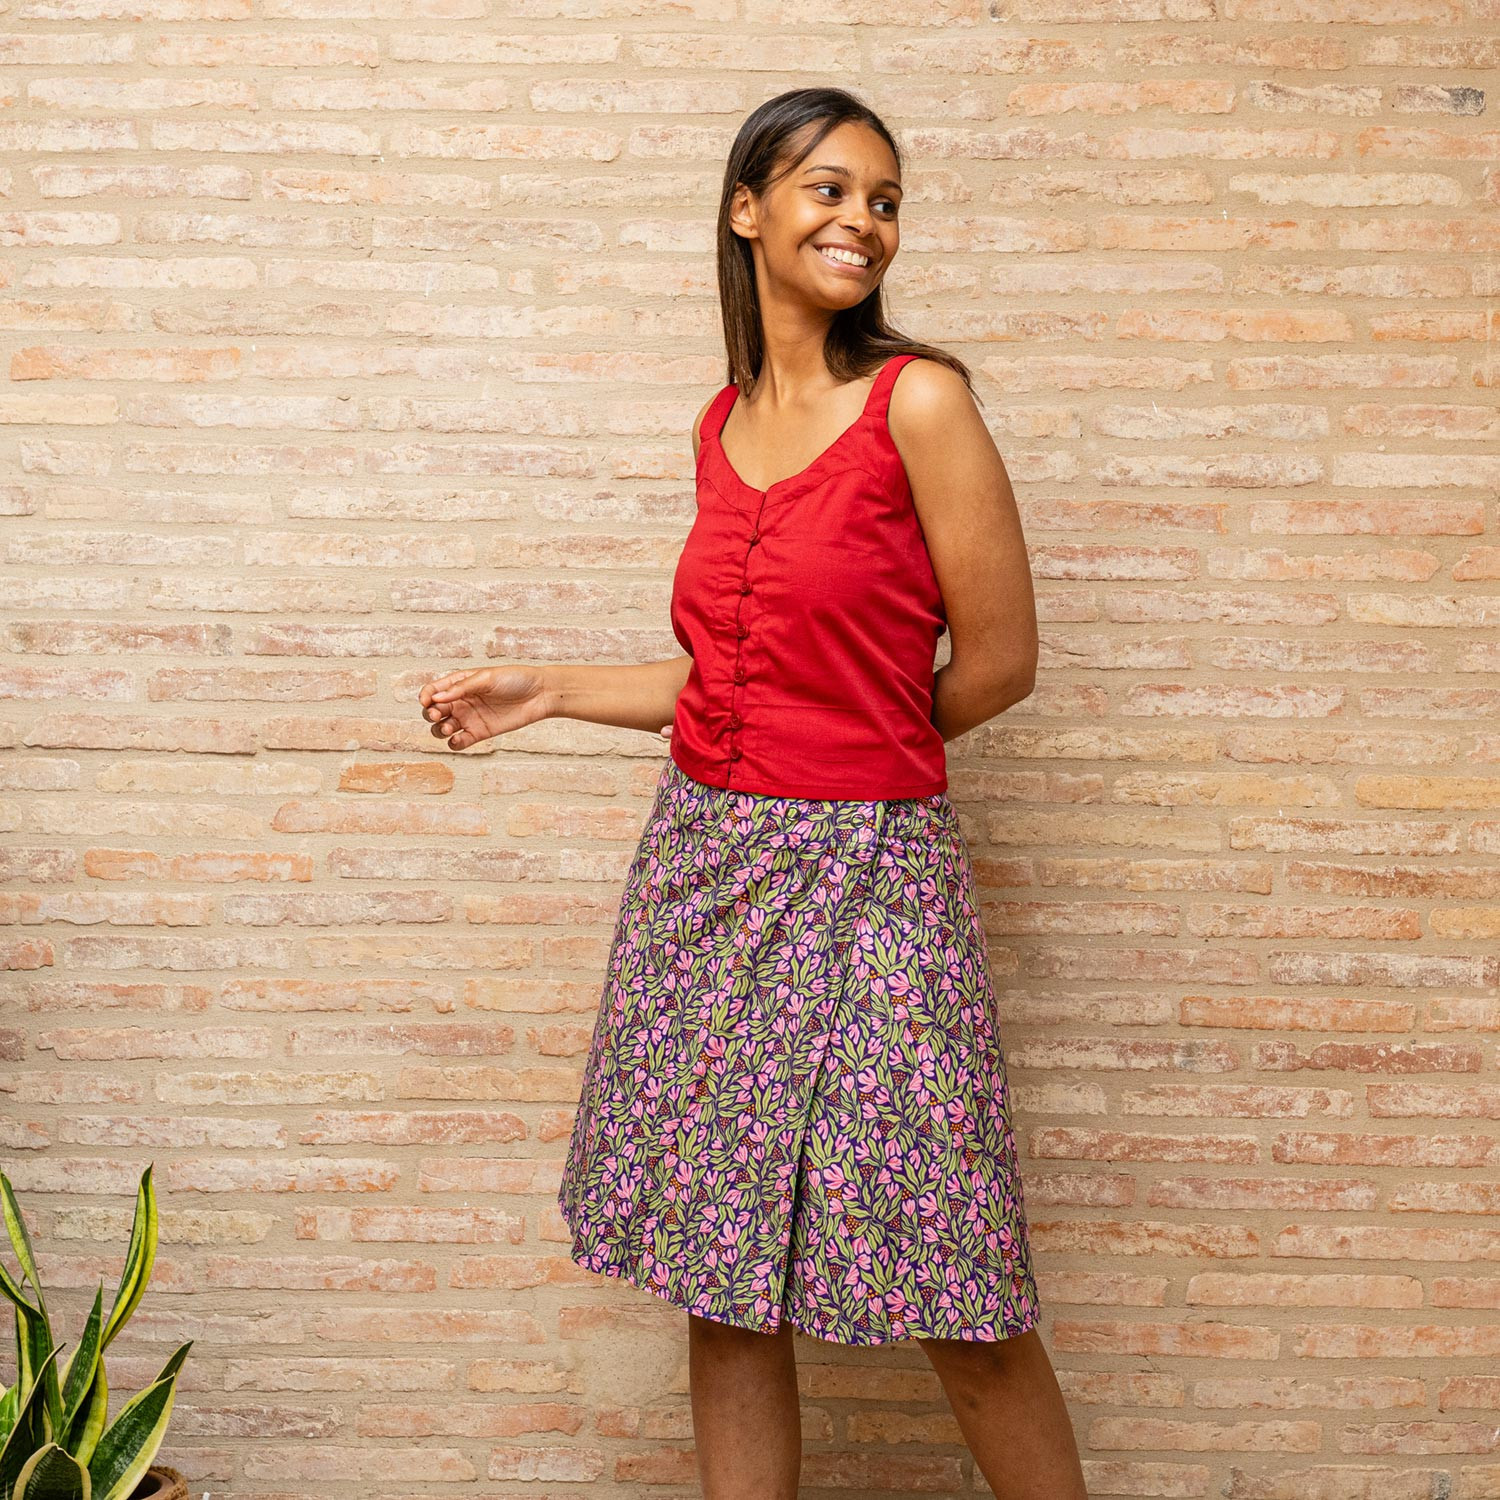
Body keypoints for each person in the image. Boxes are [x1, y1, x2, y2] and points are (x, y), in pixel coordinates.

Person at [418, 86, 1087, 1500]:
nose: (863, 221)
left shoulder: (920, 401)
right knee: (721, 1279)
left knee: (957, 1281)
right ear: (747, 210)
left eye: (884, 200)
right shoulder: (719, 425)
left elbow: (1003, 662)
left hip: (873, 877)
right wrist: (549, 690)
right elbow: (736, 677)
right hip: (705, 878)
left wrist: (851, 756)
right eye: (830, 189)